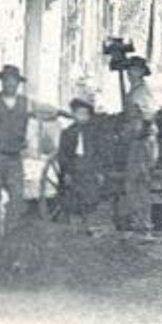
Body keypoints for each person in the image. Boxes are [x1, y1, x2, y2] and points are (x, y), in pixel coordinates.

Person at [0, 64, 62, 244]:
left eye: (14, 81)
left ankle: (9, 235)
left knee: (17, 197)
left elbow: (47, 112)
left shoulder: (26, 104)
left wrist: (64, 113)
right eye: (7, 80)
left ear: (18, 84)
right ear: (2, 82)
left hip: (13, 157)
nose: (10, 84)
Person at [58, 91, 106, 229]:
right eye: (79, 113)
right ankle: (75, 225)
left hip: (90, 167)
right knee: (74, 197)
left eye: (85, 114)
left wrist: (99, 171)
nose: (82, 117)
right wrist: (66, 172)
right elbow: (63, 154)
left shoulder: (94, 133)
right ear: (73, 115)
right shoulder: (67, 133)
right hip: (75, 167)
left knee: (90, 196)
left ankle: (89, 224)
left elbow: (100, 153)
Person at [109, 102, 156, 235]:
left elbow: (131, 137)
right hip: (138, 166)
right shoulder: (142, 130)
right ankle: (141, 223)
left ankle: (143, 224)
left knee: (138, 194)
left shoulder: (141, 131)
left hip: (139, 166)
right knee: (137, 195)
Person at [123, 56, 156, 123]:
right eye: (128, 69)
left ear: (142, 72)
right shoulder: (134, 89)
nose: (130, 72)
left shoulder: (141, 90)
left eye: (134, 69)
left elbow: (150, 114)